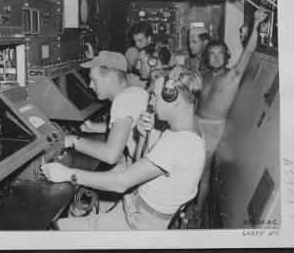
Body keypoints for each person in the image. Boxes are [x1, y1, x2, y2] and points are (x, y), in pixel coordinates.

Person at [41, 66, 206, 230]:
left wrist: (68, 174)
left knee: (56, 229)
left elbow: (121, 183)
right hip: (135, 206)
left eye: (155, 97)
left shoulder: (180, 143)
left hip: (139, 222)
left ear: (174, 100)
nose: (151, 102)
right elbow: (140, 167)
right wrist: (142, 136)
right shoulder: (182, 130)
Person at [191, 6, 269, 226]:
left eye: (220, 54)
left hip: (213, 128)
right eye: (212, 54)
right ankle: (187, 205)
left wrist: (256, 22)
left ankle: (197, 212)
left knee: (202, 172)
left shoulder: (233, 76)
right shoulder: (204, 74)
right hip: (194, 124)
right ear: (207, 57)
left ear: (227, 56)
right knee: (188, 166)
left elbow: (249, 52)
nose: (215, 58)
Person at [64, 50, 149, 168]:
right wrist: (94, 127)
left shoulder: (122, 101)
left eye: (93, 80)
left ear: (111, 79)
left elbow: (110, 156)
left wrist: (72, 140)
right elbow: (127, 127)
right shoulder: (137, 92)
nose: (90, 85)